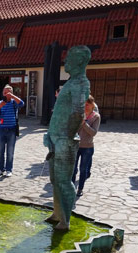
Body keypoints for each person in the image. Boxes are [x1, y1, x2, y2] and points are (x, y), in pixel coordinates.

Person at [43, 45, 91, 230]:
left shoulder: (80, 82)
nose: (66, 61)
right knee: (55, 180)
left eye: (69, 57)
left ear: (79, 61)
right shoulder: (72, 82)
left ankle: (65, 221)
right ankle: (57, 213)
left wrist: (67, 137)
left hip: (65, 140)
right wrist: (50, 134)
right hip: (57, 138)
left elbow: (79, 113)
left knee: (64, 181)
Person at [72, 96, 100, 197]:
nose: (85, 107)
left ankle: (80, 189)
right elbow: (73, 129)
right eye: (83, 105)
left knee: (83, 169)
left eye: (87, 105)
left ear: (92, 105)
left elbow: (93, 133)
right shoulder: (80, 115)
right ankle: (71, 188)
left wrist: (84, 124)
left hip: (87, 147)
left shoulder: (95, 117)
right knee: (73, 169)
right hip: (76, 146)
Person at [0, 85, 24, 177]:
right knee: (0, 151)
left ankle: (9, 169)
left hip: (11, 130)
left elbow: (22, 104)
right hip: (1, 130)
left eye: (8, 92)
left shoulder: (14, 102)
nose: (6, 94)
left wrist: (12, 96)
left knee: (10, 151)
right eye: (5, 92)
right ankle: (0, 169)